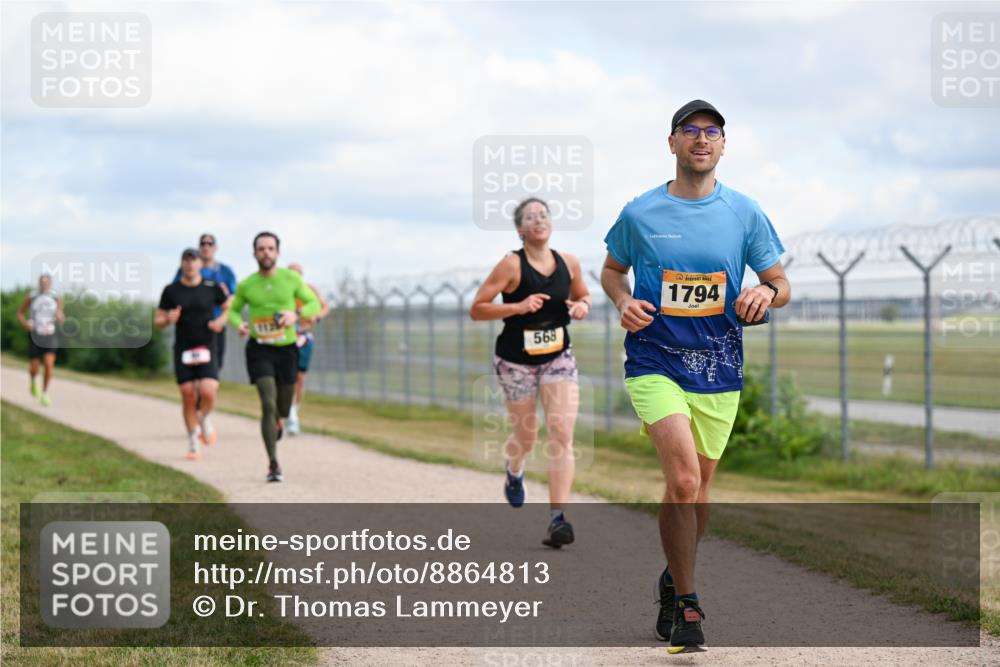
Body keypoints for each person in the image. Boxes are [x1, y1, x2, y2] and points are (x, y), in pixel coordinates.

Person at [601, 100, 790, 648]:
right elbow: (614, 271)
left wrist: (763, 290)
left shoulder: (745, 212)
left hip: (719, 365)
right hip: (655, 360)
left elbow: (781, 284)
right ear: (673, 143)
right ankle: (688, 605)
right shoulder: (640, 213)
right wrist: (621, 301)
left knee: (700, 490)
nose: (701, 139)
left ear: (723, 146)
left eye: (712, 132)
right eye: (690, 131)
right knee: (683, 480)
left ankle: (672, 574)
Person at [470, 197, 592, 548]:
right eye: (530, 217)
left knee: (561, 432)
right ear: (521, 229)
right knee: (528, 436)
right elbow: (477, 309)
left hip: (558, 356)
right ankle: (515, 467)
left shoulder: (569, 262)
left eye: (543, 214)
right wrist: (518, 306)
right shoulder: (511, 265)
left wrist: (581, 306)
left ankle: (558, 519)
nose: (538, 220)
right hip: (515, 360)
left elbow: (583, 295)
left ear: (550, 223)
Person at [228, 232, 320, 482]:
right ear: (254, 253)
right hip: (259, 348)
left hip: (287, 349)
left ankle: (279, 421)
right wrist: (240, 325)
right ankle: (273, 463)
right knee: (267, 403)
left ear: (277, 253)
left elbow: (314, 304)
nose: (266, 252)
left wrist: (296, 315)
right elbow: (233, 311)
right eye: (261, 249)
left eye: (270, 248)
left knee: (282, 405)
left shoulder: (290, 279)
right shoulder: (247, 285)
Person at [155, 248, 230, 460]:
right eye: (186, 261)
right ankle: (193, 442)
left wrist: (220, 322)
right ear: (182, 264)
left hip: (207, 345)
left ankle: (204, 417)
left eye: (194, 260)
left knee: (208, 390)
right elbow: (158, 320)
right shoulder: (171, 290)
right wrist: (168, 319)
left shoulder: (212, 287)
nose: (190, 265)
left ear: (200, 264)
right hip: (183, 348)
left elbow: (228, 308)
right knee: (188, 394)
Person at [174, 233, 237, 369]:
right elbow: (175, 292)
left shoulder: (225, 271)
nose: (206, 247)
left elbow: (233, 297)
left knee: (214, 367)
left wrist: (221, 319)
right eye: (203, 244)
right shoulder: (185, 270)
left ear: (216, 248)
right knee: (187, 369)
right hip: (189, 327)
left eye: (210, 244)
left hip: (214, 326)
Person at [285, 263, 330, 436]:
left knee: (300, 377)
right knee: (287, 377)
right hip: (286, 337)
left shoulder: (309, 290)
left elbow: (324, 307)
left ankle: (294, 413)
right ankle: (287, 412)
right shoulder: (282, 292)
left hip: (303, 336)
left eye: (298, 275)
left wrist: (316, 317)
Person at [17, 273, 63, 406]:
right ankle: (33, 381)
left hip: (49, 334)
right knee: (34, 368)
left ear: (50, 283)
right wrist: (25, 323)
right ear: (39, 283)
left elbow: (60, 315)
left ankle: (45, 393)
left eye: (46, 282)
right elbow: (20, 313)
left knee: (49, 364)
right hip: (35, 335)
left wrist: (60, 317)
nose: (44, 284)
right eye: (42, 282)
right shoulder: (32, 297)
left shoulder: (56, 297)